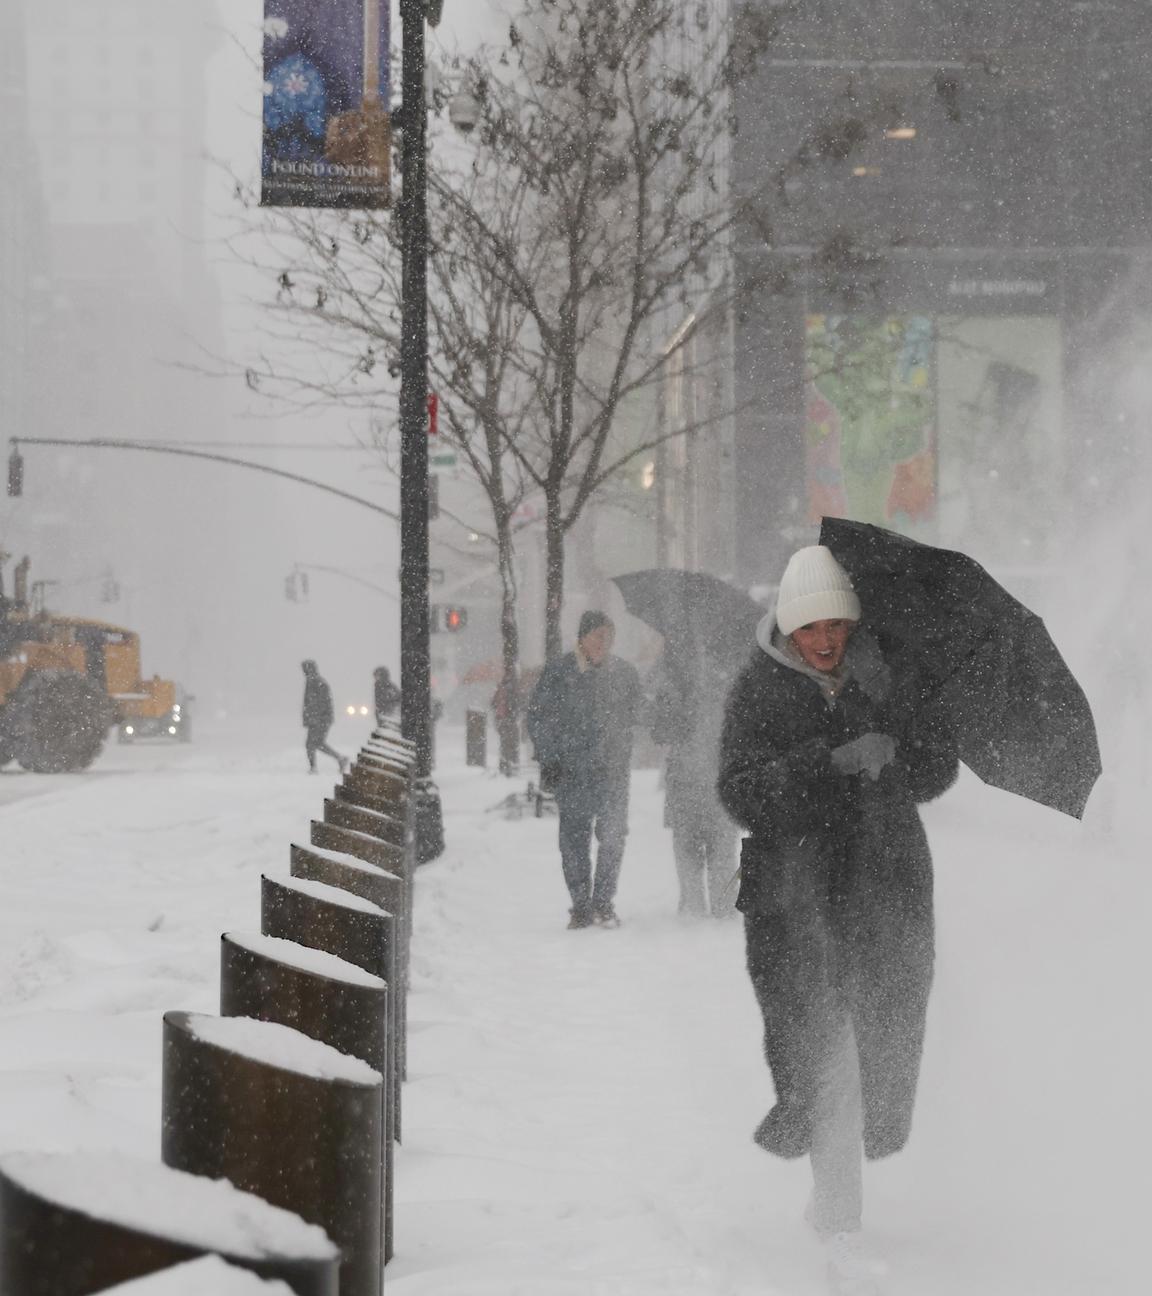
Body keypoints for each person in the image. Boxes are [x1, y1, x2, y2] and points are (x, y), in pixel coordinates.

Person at [717, 545, 958, 1296]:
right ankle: (841, 1224)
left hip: (883, 891)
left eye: (839, 626)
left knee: (877, 1047)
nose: (827, 639)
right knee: (826, 1055)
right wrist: (830, 762)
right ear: (788, 625)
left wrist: (903, 749)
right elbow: (740, 794)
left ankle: (832, 1198)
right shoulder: (757, 691)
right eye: (813, 626)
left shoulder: (881, 677)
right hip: (795, 904)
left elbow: (937, 770)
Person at [527, 611, 642, 930]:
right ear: (582, 638)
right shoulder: (560, 673)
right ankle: (580, 905)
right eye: (598, 636)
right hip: (573, 773)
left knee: (613, 838)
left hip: (613, 772)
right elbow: (538, 718)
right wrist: (553, 756)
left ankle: (603, 903)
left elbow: (640, 714)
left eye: (609, 636)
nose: (604, 643)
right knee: (574, 841)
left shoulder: (624, 674)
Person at [650, 656, 739, 919]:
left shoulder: (734, 683)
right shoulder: (674, 677)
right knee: (690, 852)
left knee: (720, 852)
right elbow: (660, 731)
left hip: (718, 779)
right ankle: (695, 915)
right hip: (687, 780)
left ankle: (717, 913)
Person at [301, 659, 348, 775]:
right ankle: (340, 759)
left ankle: (314, 768)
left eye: (306, 668)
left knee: (311, 744)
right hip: (319, 719)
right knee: (317, 743)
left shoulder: (316, 682)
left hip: (320, 719)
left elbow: (321, 702)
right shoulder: (314, 681)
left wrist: (315, 717)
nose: (304, 671)